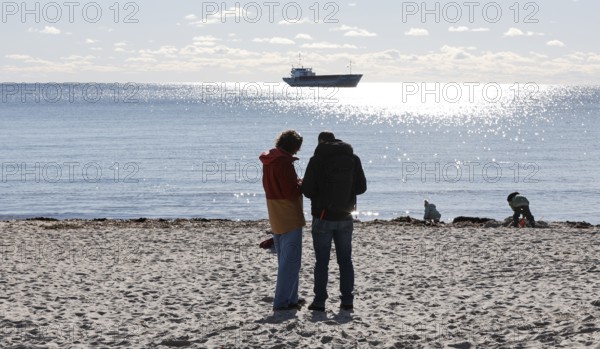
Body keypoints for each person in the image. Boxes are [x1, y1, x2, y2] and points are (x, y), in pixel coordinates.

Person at [301, 131, 367, 312]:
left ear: (321, 142)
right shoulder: (353, 158)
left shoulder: (317, 160)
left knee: (322, 262)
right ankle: (347, 301)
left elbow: (307, 190)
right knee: (345, 260)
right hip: (346, 216)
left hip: (322, 217)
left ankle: (320, 301)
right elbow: (362, 188)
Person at [259, 130, 306, 311]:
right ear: (294, 146)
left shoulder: (269, 160)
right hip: (289, 214)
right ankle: (281, 302)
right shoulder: (284, 163)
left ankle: (292, 298)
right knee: (291, 262)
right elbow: (290, 191)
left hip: (275, 211)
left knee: (285, 259)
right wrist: (301, 185)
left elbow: (276, 185)